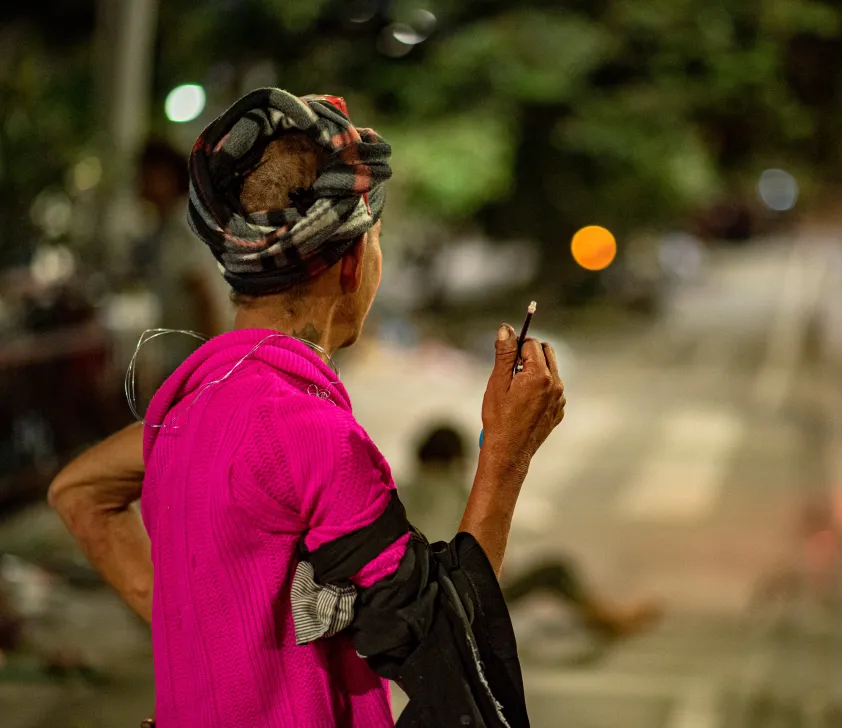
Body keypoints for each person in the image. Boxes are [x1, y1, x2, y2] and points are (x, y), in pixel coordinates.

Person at [48, 89, 565, 728]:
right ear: (352, 264)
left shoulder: (187, 404)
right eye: (378, 240)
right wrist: (506, 454)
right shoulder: (308, 431)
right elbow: (449, 659)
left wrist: (201, 634)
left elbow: (79, 491)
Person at [401, 423, 659, 639]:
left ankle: (605, 618)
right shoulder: (452, 491)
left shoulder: (401, 491)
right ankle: (608, 621)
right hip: (461, 600)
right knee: (555, 570)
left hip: (416, 602)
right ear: (456, 459)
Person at [133, 139, 231, 373]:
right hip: (188, 361)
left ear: (166, 177)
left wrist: (214, 370)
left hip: (198, 364)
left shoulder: (183, 228)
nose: (138, 183)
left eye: (145, 174)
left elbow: (204, 298)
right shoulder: (168, 228)